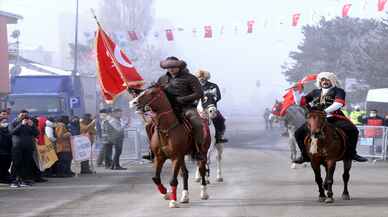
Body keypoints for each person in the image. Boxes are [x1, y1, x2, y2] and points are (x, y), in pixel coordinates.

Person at [293, 72, 368, 164]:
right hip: (316, 119)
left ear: (332, 81)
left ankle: (352, 153)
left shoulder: (339, 91)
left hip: (333, 117)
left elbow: (338, 103)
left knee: (352, 130)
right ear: (319, 82)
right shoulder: (315, 92)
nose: (325, 81)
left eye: (327, 79)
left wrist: (324, 112)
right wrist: (296, 92)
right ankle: (304, 155)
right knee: (298, 133)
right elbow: (300, 102)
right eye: (322, 80)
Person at [157, 56, 205, 160]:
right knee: (150, 124)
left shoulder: (190, 78)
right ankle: (153, 150)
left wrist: (182, 99)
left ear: (179, 66)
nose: (171, 69)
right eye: (169, 67)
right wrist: (137, 92)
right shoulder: (162, 79)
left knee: (198, 124)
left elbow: (199, 93)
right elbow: (155, 92)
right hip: (167, 110)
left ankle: (199, 150)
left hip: (187, 108)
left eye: (174, 66)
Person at [195, 69, 228, 143]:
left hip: (211, 107)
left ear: (207, 77)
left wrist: (211, 101)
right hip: (198, 108)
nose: (201, 78)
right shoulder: (195, 87)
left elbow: (218, 96)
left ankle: (219, 137)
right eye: (199, 77)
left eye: (203, 77)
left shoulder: (213, 86)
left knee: (220, 119)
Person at [9, 110, 39, 187]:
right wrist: (21, 125)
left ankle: (24, 180)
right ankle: (14, 181)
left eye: (26, 115)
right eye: (22, 115)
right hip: (17, 147)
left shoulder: (30, 123)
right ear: (18, 115)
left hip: (28, 147)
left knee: (26, 164)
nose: (24, 117)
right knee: (16, 163)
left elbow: (37, 133)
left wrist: (32, 125)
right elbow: (12, 132)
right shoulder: (13, 123)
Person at [0, 115, 13, 184]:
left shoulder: (8, 130)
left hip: (8, 152)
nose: (5, 123)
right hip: (1, 152)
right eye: (3, 122)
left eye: (6, 122)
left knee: (6, 166)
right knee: (1, 166)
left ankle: (4, 178)